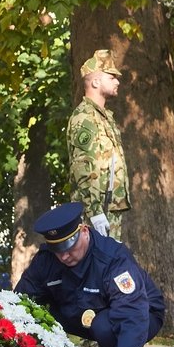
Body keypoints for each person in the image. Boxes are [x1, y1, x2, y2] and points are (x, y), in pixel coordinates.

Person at [16, 201, 164, 347]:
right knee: (41, 317)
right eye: (57, 249)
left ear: (84, 231)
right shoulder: (47, 261)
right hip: (80, 311)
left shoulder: (113, 259)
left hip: (142, 312)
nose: (64, 256)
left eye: (69, 247)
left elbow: (132, 316)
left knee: (104, 325)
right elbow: (22, 301)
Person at [67, 49, 129, 240]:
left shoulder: (104, 117)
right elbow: (82, 167)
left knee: (110, 265)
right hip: (96, 210)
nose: (117, 81)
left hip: (109, 207)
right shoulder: (84, 118)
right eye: (111, 77)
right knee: (96, 266)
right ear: (95, 81)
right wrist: (94, 212)